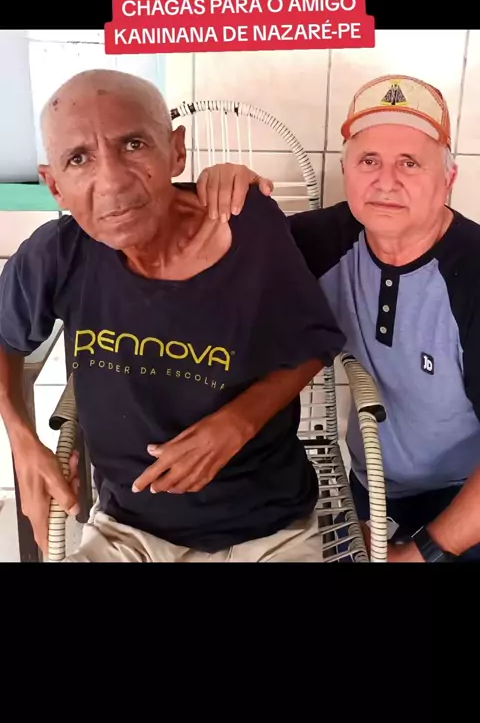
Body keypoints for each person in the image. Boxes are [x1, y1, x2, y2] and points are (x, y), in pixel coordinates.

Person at [0, 69, 346, 563]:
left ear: (176, 151)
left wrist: (239, 422)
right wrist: (21, 438)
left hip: (271, 530)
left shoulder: (248, 225)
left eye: (133, 144)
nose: (112, 181)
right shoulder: (58, 254)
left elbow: (312, 342)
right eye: (79, 158)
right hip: (129, 532)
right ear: (55, 186)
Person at [197, 74, 480, 563]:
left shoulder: (472, 274)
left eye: (409, 162)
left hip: (465, 497)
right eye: (369, 160)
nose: (385, 181)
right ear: (346, 169)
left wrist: (421, 554)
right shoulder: (325, 240)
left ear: (448, 179)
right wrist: (227, 195)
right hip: (371, 485)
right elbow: (202, 268)